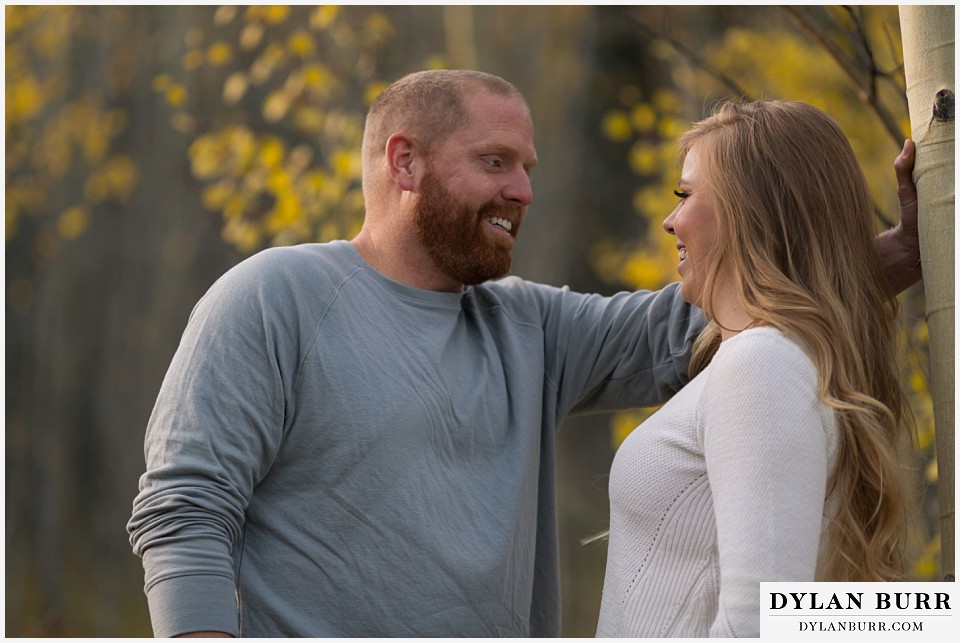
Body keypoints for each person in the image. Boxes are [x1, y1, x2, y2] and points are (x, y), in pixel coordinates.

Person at [127, 70, 920, 638]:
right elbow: (184, 504)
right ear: (405, 163)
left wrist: (910, 251)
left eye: (530, 170)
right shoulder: (275, 296)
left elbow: (716, 313)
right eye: (496, 162)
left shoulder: (527, 327)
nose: (524, 192)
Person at [595, 99, 917, 638]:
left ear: (755, 209)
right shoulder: (781, 360)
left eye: (685, 194)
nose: (670, 219)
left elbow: (760, 622)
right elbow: (808, 615)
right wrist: (931, 618)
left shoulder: (761, 364)